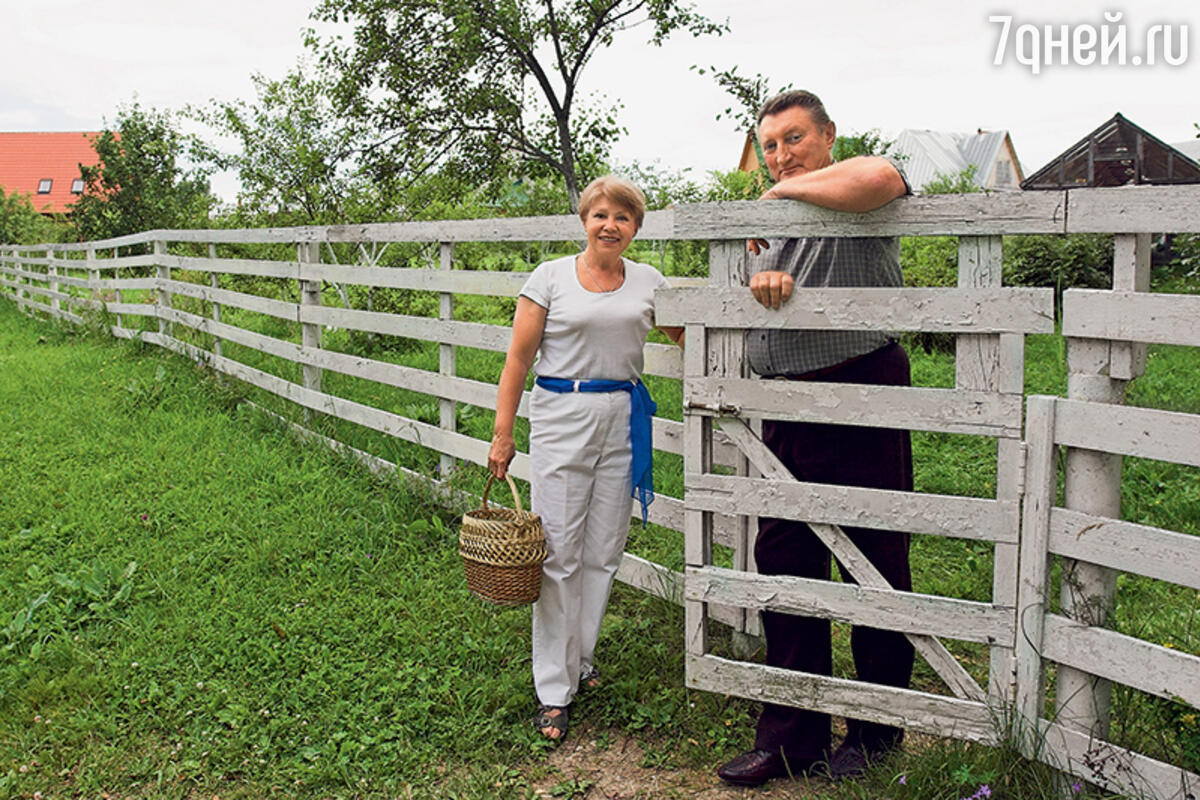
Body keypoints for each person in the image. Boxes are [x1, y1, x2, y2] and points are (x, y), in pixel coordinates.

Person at [716, 90, 915, 787]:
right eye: (769, 146)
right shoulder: (772, 221)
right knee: (785, 559)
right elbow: (761, 283)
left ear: (828, 135)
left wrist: (782, 193)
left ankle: (873, 732)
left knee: (872, 554)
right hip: (785, 403)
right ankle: (791, 735)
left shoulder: (857, 182)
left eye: (794, 138)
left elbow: (882, 180)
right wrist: (766, 276)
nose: (780, 155)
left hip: (856, 383)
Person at [488, 175, 684, 741]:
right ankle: (553, 688)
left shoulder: (648, 281)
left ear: (636, 228)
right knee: (558, 551)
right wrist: (504, 434)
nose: (610, 225)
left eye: (622, 217)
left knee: (603, 549)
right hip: (561, 414)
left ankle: (581, 660)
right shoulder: (550, 277)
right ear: (584, 220)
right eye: (600, 214)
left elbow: (686, 335)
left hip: (622, 417)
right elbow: (518, 361)